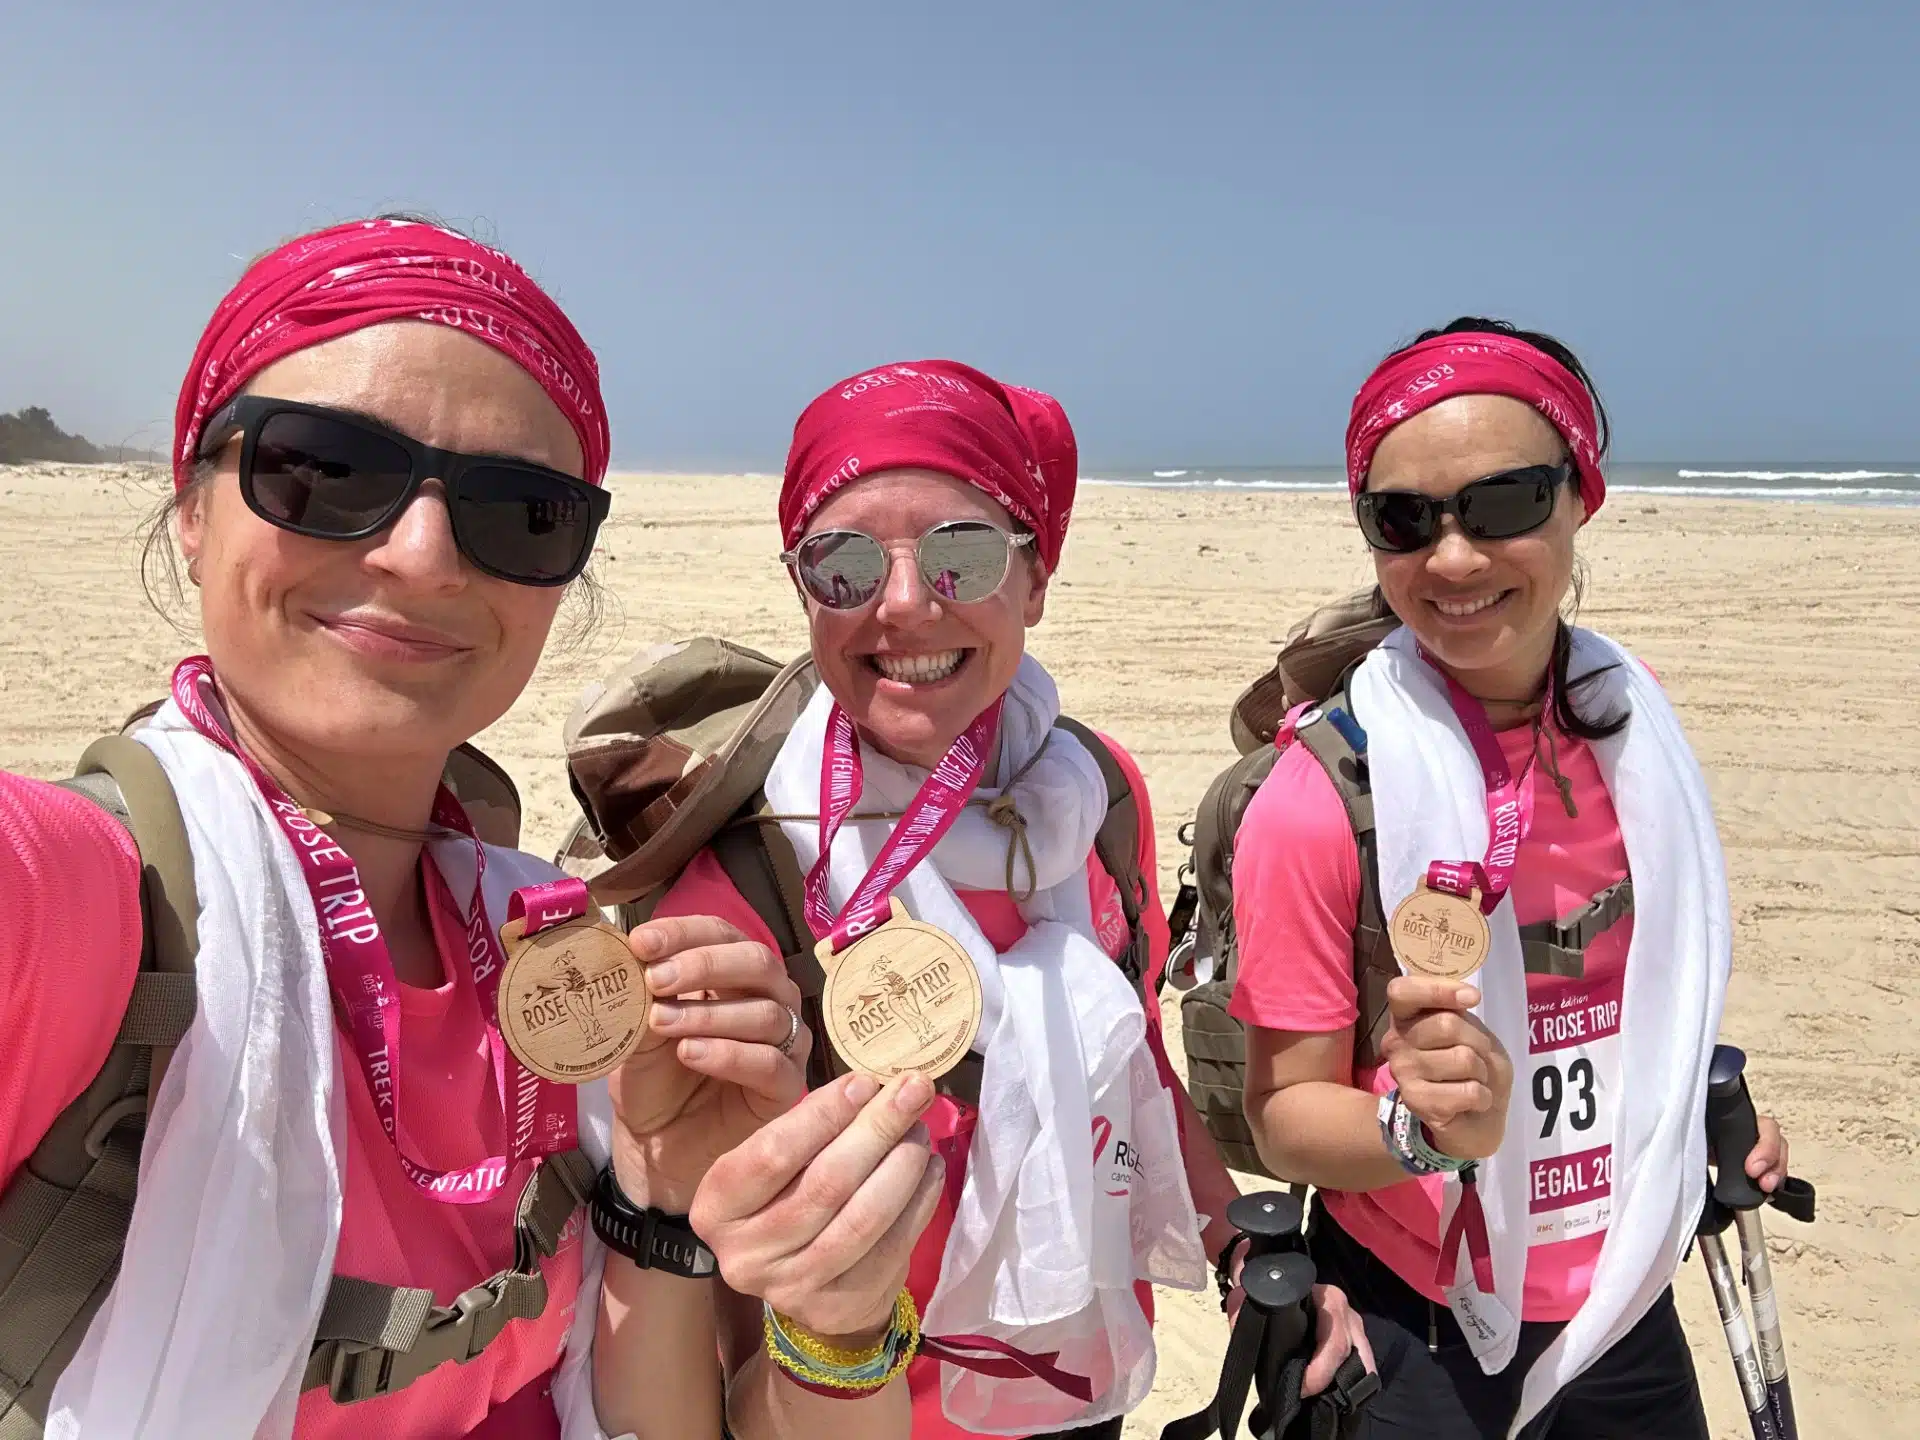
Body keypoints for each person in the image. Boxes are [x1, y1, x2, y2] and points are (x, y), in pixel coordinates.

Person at [0, 218, 937, 1440]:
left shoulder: (549, 944)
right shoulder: (87, 903)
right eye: (325, 470)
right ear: (191, 504)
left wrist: (772, 1273)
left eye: (522, 512)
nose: (425, 556)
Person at [648, 359, 1372, 1440]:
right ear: (803, 590)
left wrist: (1236, 1240)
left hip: (1078, 1371)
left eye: (963, 554)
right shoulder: (750, 875)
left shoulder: (1098, 795)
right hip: (864, 1404)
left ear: (1035, 579)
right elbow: (710, 1303)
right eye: (840, 562)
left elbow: (1131, 1057)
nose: (901, 604)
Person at [1230, 318, 1792, 1438]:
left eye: (1505, 504)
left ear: (1582, 494)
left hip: (1626, 1292)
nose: (1452, 558)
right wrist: (1420, 1130)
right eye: (1405, 520)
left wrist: (1689, 1114)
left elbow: (1628, 993)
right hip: (1417, 1317)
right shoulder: (1320, 797)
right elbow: (1283, 1114)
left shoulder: (1640, 734)